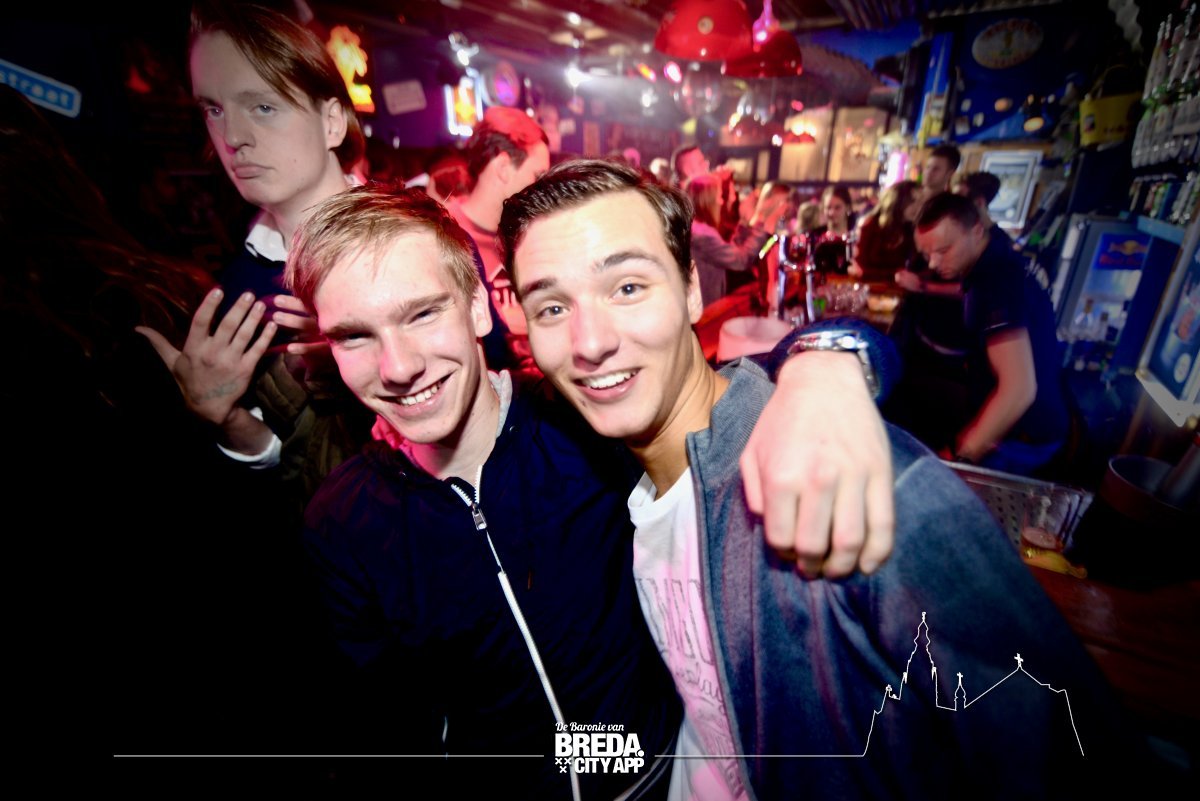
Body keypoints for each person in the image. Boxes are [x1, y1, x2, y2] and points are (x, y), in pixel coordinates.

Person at [503, 159, 1137, 801]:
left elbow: (1075, 754)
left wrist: (829, 358)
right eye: (551, 307)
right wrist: (826, 350)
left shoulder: (842, 477)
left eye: (627, 287)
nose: (589, 342)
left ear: (692, 289)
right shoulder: (598, 466)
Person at [285, 186, 896, 797]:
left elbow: (726, 380)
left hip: (664, 776)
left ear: (478, 308)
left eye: (422, 314)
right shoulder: (340, 523)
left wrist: (826, 365)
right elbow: (387, 733)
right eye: (354, 336)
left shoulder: (583, 420)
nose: (397, 367)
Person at [138, 0, 372, 503]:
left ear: (332, 121)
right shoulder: (237, 292)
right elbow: (287, 470)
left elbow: (496, 406)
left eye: (262, 107)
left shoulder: (421, 240)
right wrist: (224, 416)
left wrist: (363, 343)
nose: (232, 137)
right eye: (213, 109)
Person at [913, 192, 1069, 473]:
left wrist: (959, 459)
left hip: (1021, 437)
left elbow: (1018, 390)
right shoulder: (998, 259)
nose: (933, 264)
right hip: (1033, 419)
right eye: (927, 255)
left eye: (943, 250)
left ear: (976, 231)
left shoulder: (995, 283)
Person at [445, 105, 551, 368]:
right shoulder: (443, 232)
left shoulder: (532, 231)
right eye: (537, 176)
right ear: (504, 167)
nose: (542, 188)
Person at [684, 173, 786, 307]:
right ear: (707, 200)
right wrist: (762, 222)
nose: (722, 202)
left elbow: (732, 251)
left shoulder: (700, 229)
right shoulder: (702, 235)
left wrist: (743, 223)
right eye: (719, 196)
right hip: (703, 308)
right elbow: (740, 261)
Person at [850, 179, 920, 282]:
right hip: (871, 286)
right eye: (913, 201)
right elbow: (859, 269)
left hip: (898, 288)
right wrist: (895, 275)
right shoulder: (870, 225)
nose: (918, 207)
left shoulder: (911, 230)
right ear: (898, 200)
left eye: (920, 202)